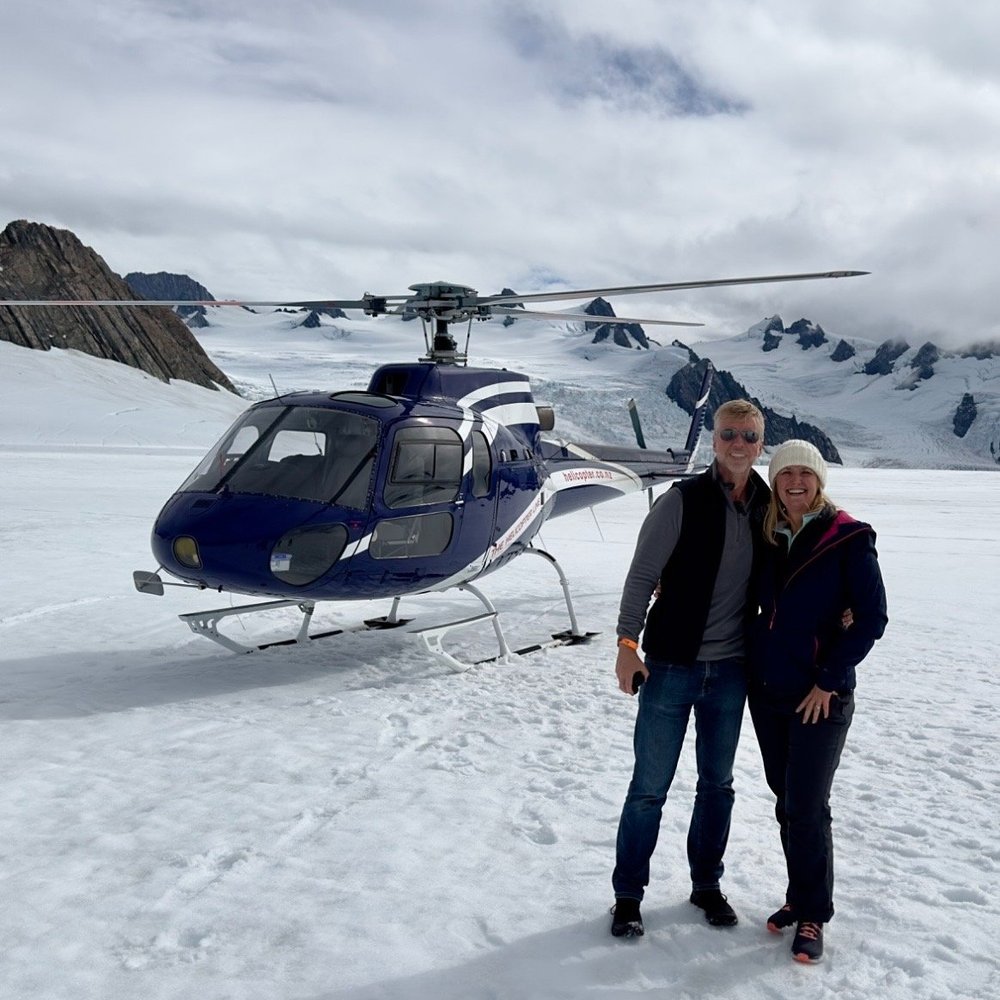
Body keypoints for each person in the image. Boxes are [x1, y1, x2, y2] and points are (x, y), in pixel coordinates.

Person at [610, 400, 769, 938]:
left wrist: (845, 604)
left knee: (717, 786)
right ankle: (628, 895)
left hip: (730, 672)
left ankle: (706, 885)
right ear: (715, 441)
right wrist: (627, 643)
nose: (738, 443)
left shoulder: (769, 505)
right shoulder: (682, 500)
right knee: (649, 788)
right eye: (729, 434)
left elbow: (806, 560)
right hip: (672, 667)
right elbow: (641, 576)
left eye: (748, 434)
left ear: (760, 444)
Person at [747, 439, 887, 964]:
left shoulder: (848, 537)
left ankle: (813, 914)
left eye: (805, 474)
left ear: (820, 480)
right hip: (770, 692)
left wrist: (828, 679)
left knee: (807, 806)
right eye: (786, 475)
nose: (795, 483)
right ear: (776, 482)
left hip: (820, 696)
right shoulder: (769, 535)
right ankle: (797, 894)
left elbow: (871, 618)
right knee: (786, 802)